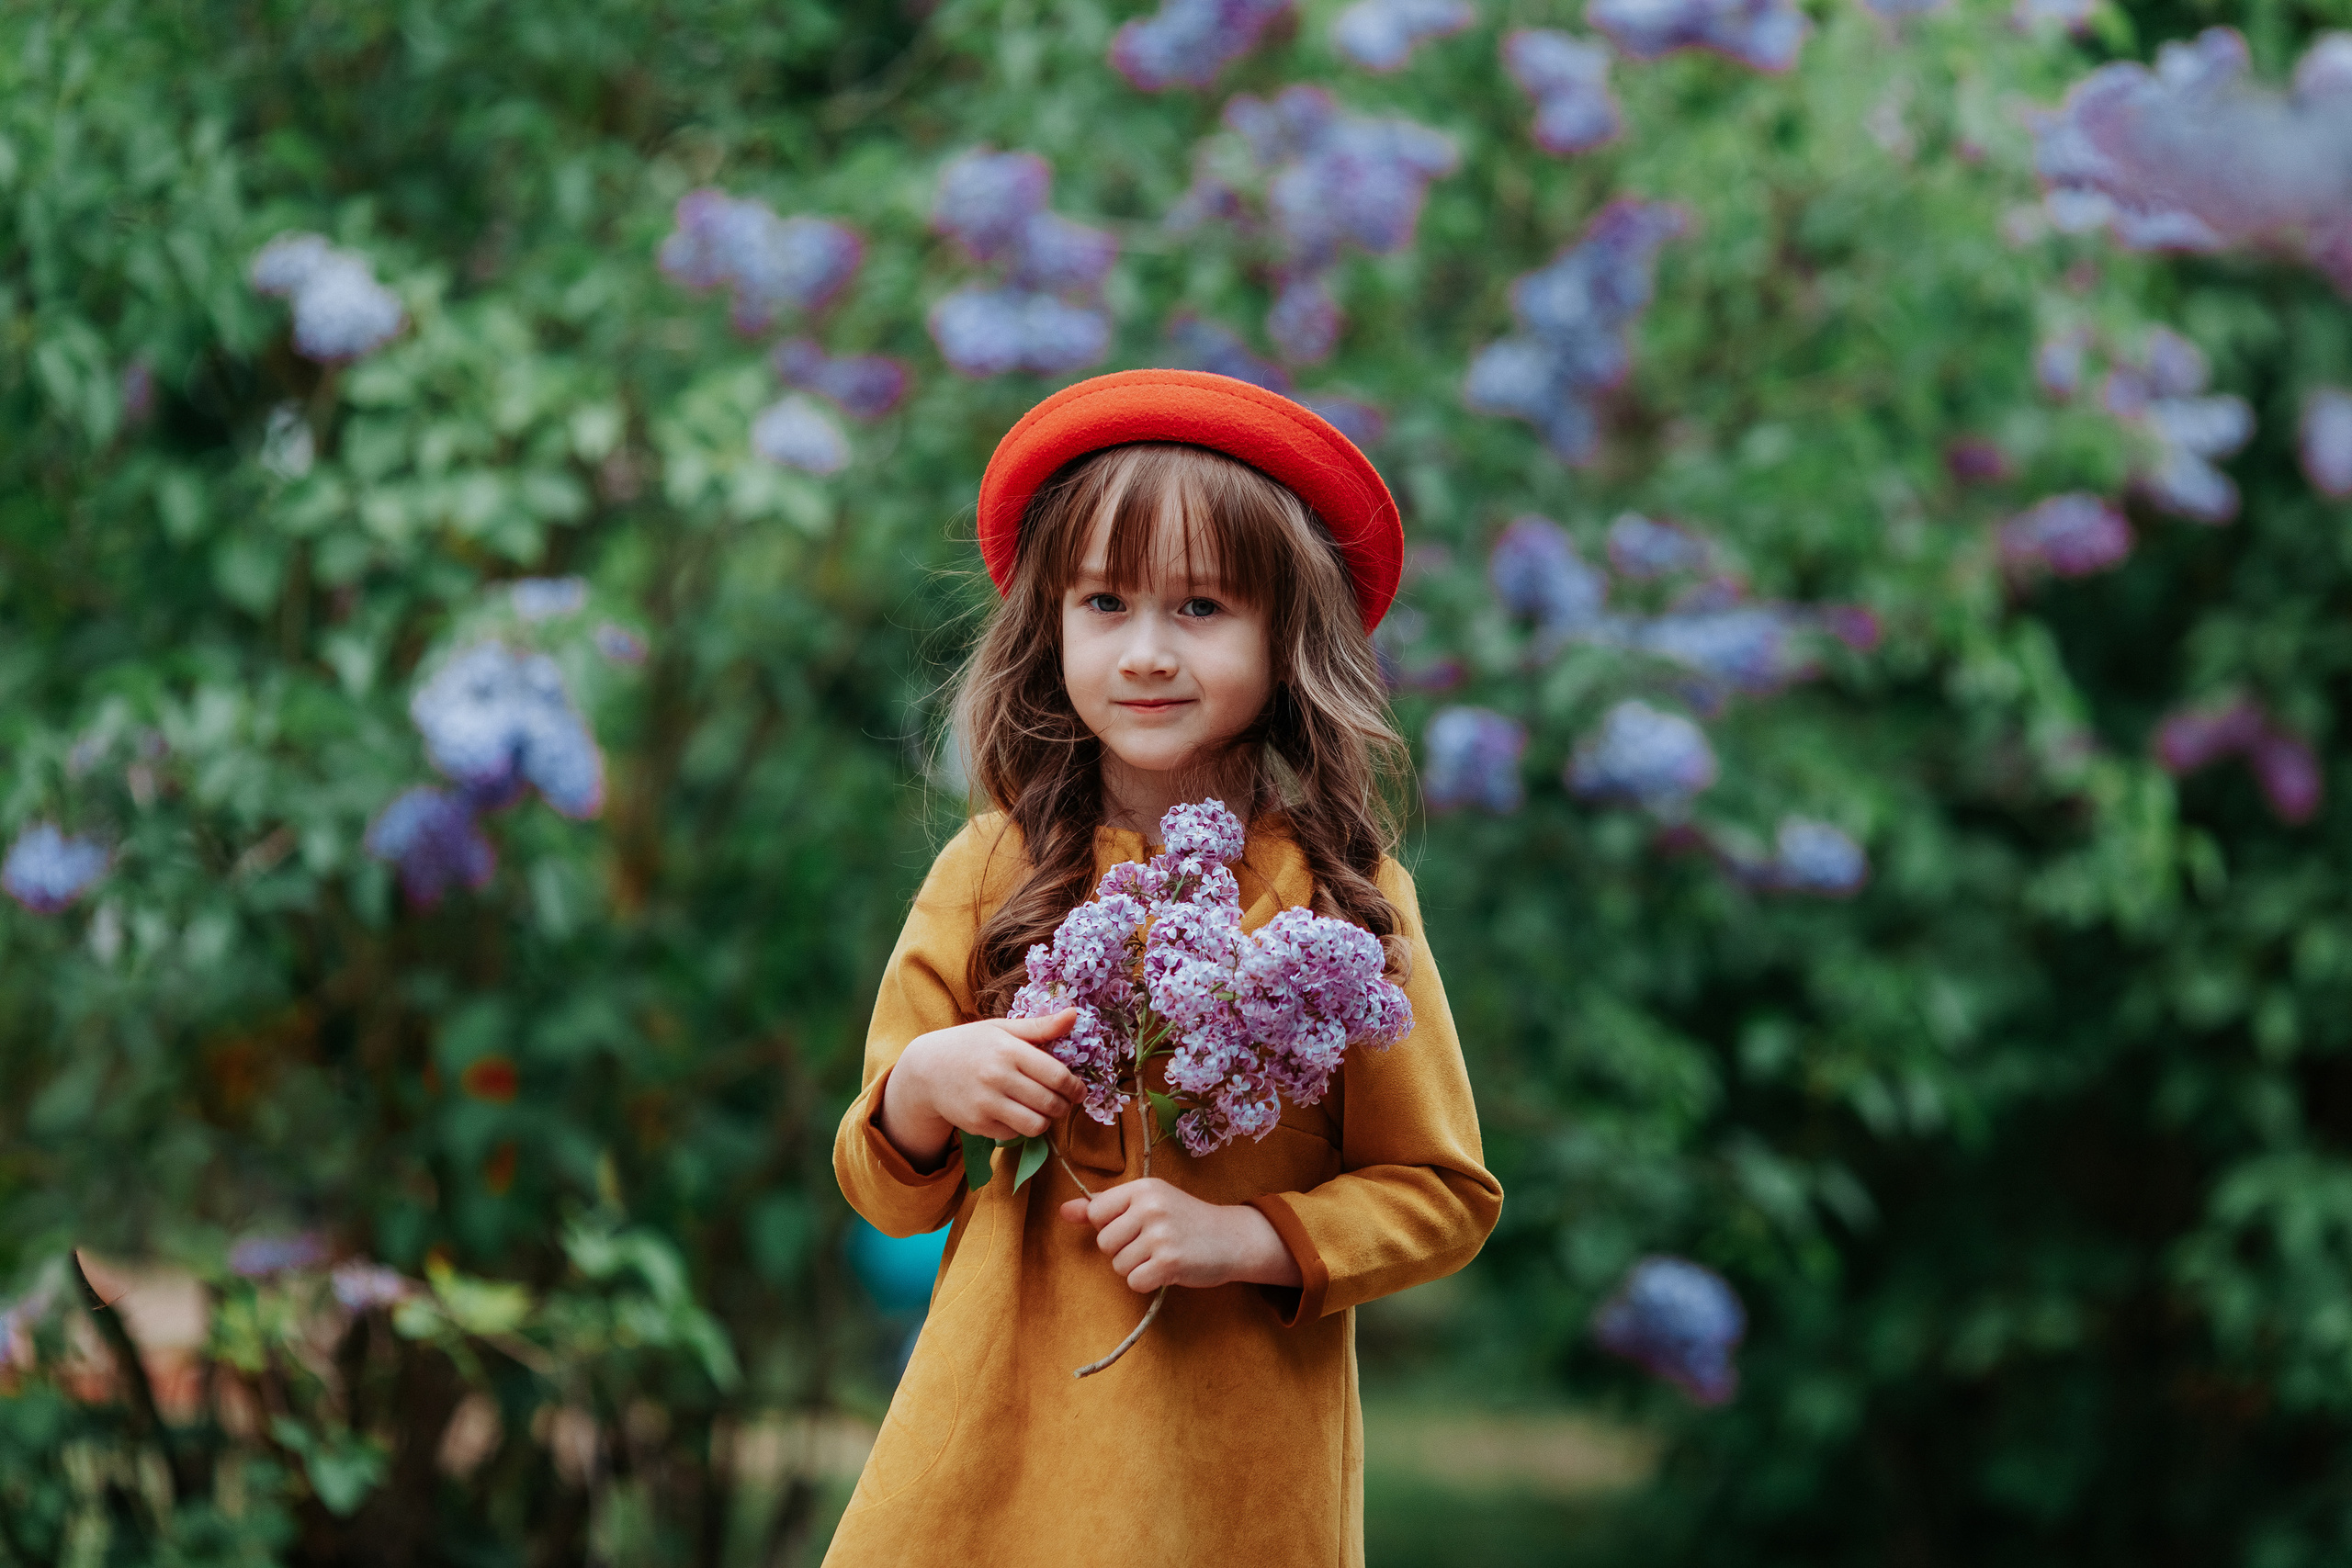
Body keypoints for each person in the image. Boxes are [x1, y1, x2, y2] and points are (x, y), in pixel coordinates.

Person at [826, 369, 1502, 1567]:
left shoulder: (1344, 899)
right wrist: (927, 1085)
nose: (1145, 652)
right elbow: (883, 1189)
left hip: (1230, 1480)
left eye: (1200, 606)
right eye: (1104, 602)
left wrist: (1250, 1239)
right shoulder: (989, 870)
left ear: (1286, 633)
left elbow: (1442, 1195)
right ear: (1051, 626)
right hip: (1001, 1454)